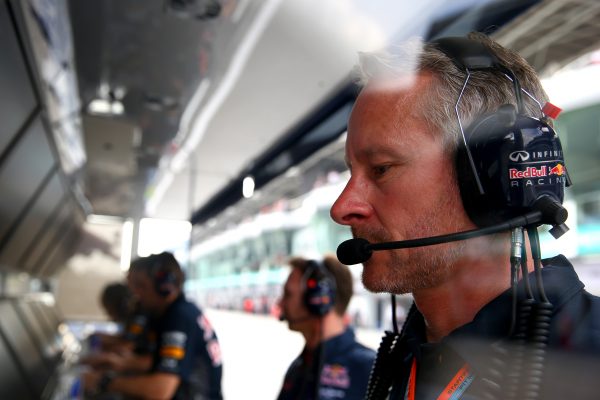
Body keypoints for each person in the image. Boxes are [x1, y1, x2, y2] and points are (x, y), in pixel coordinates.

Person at [329, 32, 600, 399]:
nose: (342, 207)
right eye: (351, 172)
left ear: (493, 177)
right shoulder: (405, 358)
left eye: (381, 168)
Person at [84, 252, 223, 400]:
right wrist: (119, 363)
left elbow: (161, 390)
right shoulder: (171, 313)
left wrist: (102, 381)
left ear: (164, 287)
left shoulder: (179, 318)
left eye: (141, 286)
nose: (135, 294)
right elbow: (157, 362)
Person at [277, 255, 376, 400]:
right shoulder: (298, 367)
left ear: (317, 298)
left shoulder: (369, 369)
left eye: (288, 294)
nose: (280, 303)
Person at [81, 281, 155, 372]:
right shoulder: (132, 318)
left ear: (119, 306)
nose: (109, 315)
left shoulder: (139, 317)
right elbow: (126, 338)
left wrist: (104, 356)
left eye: (109, 310)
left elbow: (128, 344)